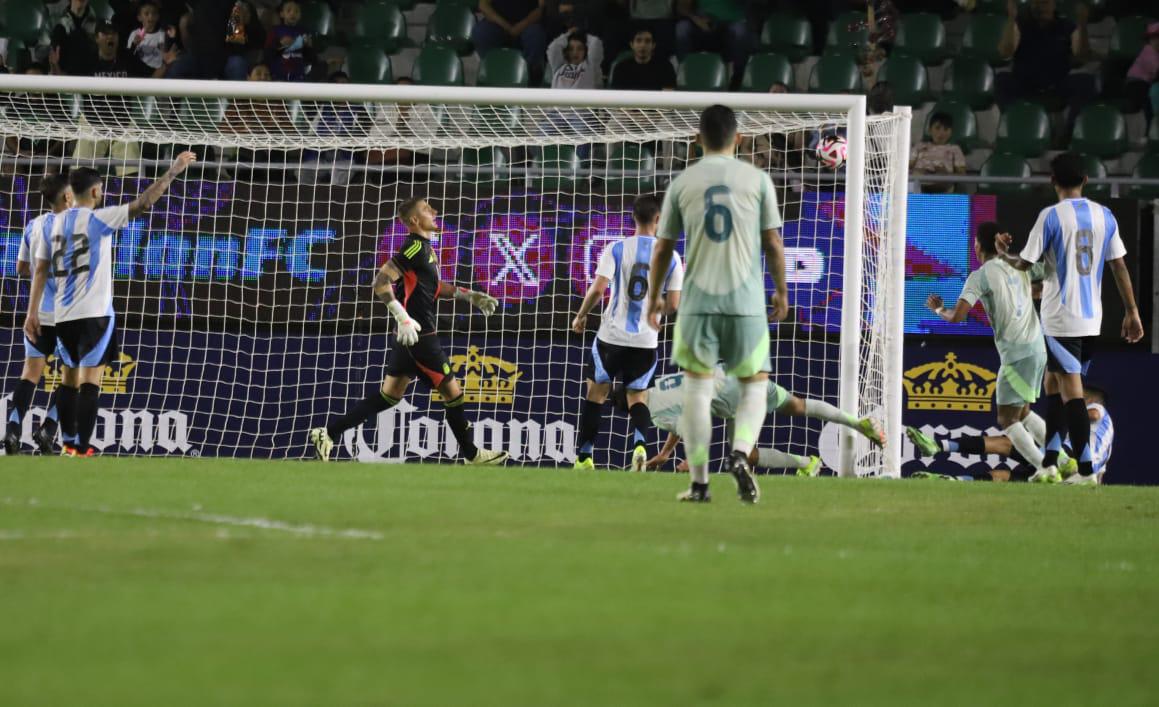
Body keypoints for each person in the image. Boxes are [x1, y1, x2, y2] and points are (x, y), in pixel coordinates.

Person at [645, 104, 788, 504]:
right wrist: (781, 290)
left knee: (697, 391)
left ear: (696, 140)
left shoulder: (682, 182)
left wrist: (655, 297)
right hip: (745, 301)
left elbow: (662, 249)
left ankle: (699, 483)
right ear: (738, 139)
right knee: (755, 385)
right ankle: (741, 452)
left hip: (698, 303)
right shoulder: (757, 179)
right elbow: (773, 243)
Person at [309, 198, 509, 466]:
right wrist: (402, 317)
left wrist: (469, 295)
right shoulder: (414, 245)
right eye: (427, 209)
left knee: (388, 396)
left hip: (410, 337)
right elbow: (381, 281)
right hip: (420, 336)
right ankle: (473, 454)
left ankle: (328, 434)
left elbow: (435, 287)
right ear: (414, 221)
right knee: (454, 394)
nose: (434, 211)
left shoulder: (426, 249)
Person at [24, 153, 199, 457]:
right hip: (95, 315)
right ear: (94, 192)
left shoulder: (50, 225)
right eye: (101, 190)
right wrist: (172, 172)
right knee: (92, 381)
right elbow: (144, 203)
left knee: (68, 380)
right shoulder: (99, 219)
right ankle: (79, 448)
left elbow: (39, 269)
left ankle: (66, 442)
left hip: (62, 317)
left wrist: (32, 312)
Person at [995, 152, 1143, 486]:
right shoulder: (1105, 215)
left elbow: (1024, 263)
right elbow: (1118, 265)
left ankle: (1086, 471)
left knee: (1071, 393)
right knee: (1052, 385)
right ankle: (1049, 463)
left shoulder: (1050, 216)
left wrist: (1003, 252)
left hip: (1060, 319)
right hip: (1093, 320)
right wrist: (1132, 312)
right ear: (1086, 180)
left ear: (1052, 181)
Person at [907, 222, 1053, 478]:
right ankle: (1059, 460)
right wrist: (1035, 292)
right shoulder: (1018, 265)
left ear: (976, 246)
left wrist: (939, 309)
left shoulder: (980, 276)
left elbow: (957, 317)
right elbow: (1050, 273)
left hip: (1016, 354)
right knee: (1024, 412)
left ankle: (1048, 468)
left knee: (1007, 420)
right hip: (1038, 348)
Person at [570, 196, 683, 472]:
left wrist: (581, 314)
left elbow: (598, 289)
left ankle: (585, 458)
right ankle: (640, 445)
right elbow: (674, 305)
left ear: (633, 218)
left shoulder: (616, 248)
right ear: (659, 220)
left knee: (596, 394)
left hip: (611, 337)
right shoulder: (672, 257)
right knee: (637, 398)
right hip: (645, 340)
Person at [638, 368, 884, 476]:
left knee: (744, 456)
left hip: (735, 400)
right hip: (737, 378)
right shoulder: (660, 383)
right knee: (797, 406)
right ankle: (853, 424)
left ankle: (806, 463)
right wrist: (666, 453)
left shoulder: (656, 415)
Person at [3, 175, 74, 456]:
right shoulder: (76, 228)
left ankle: (12, 432)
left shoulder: (34, 225)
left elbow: (21, 267)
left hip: (38, 315)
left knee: (30, 374)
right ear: (66, 197)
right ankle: (48, 429)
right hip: (69, 316)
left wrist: (40, 276)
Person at [996, 0, 1093, 126]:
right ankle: (1014, 126)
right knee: (1001, 80)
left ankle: (1069, 132)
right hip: (1025, 85)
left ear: (1054, 4)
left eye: (1044, 3)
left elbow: (1081, 56)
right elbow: (1005, 53)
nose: (1040, 8)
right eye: (1036, 4)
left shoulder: (1066, 25)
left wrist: (1082, 23)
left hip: (1057, 85)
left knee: (1087, 82)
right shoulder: (1020, 23)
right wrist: (1011, 18)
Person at [673, 0, 749, 87]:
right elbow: (681, 7)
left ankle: (738, 80)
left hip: (731, 24)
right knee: (682, 29)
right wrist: (696, 18)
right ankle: (684, 76)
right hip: (702, 24)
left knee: (740, 32)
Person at [472, 0, 548, 86]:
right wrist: (507, 26)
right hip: (498, 23)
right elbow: (483, 5)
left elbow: (540, 9)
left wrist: (520, 27)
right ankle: (490, 70)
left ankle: (530, 77)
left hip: (528, 23)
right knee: (481, 33)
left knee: (536, 36)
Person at [910, 112, 967, 194]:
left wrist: (946, 174)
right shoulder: (919, 146)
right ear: (930, 130)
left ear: (951, 132)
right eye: (937, 128)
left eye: (946, 129)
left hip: (943, 183)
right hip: (918, 181)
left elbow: (962, 175)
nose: (941, 133)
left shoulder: (955, 149)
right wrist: (920, 171)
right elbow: (907, 167)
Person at [609, 27, 676, 90]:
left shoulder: (666, 67)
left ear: (653, 45)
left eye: (647, 41)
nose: (643, 45)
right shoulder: (621, 69)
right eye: (638, 41)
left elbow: (668, 96)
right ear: (632, 45)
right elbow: (617, 96)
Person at [264, 0, 314, 81]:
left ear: (300, 15)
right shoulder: (275, 31)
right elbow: (267, 55)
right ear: (281, 14)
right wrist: (280, 44)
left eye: (296, 11)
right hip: (278, 75)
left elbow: (310, 59)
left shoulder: (304, 32)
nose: (292, 13)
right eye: (289, 10)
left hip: (298, 76)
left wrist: (309, 47)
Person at [51, 0, 99, 77]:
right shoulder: (59, 26)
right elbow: (54, 62)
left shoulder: (98, 26)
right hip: (67, 79)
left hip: (91, 79)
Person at [1125, 22, 1159, 121]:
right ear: (1149, 41)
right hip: (1135, 82)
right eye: (1154, 38)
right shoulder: (1148, 51)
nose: (1157, 41)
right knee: (1147, 101)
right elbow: (1156, 69)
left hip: (1148, 83)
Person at [127, 0, 168, 71]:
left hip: (157, 71)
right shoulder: (134, 34)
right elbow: (128, 56)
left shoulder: (162, 34)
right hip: (139, 70)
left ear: (158, 16)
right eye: (146, 14)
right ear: (139, 17)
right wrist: (135, 44)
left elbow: (164, 55)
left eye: (154, 13)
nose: (151, 16)